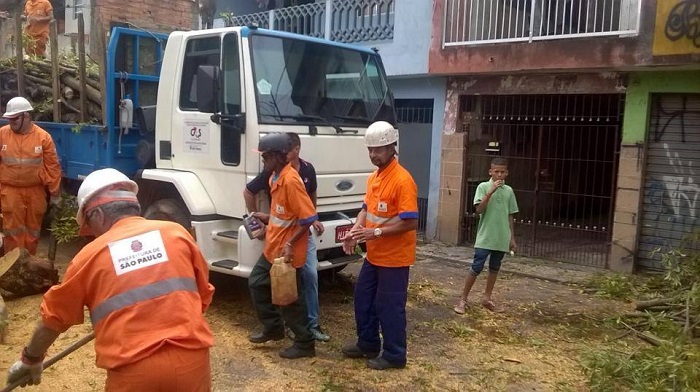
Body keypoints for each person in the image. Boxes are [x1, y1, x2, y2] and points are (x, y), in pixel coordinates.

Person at [6, 168, 215, 391]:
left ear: (99, 215)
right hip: (192, 363)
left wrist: (30, 359)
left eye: (88, 224)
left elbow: (53, 320)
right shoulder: (177, 234)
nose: (92, 233)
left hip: (135, 373)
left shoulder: (89, 256)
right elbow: (202, 293)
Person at [340, 121, 418, 371]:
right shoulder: (374, 177)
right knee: (363, 298)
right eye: (370, 150)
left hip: (394, 259)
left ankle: (395, 355)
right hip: (374, 256)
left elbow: (410, 221)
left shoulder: (402, 180)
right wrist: (355, 230)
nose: (374, 154)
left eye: (379, 149)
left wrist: (374, 232)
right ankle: (368, 343)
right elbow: (365, 208)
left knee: (390, 307)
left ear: (392, 147)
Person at [243, 132, 330, 342]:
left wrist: (291, 243)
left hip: (287, 251)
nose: (263, 161)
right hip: (274, 248)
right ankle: (273, 328)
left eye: (266, 157)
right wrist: (267, 217)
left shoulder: (291, 180)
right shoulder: (275, 178)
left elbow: (308, 217)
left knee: (289, 298)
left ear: (278, 156)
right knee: (257, 282)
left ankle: (304, 343)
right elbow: (285, 214)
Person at [453, 157, 518, 314]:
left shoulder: (509, 191)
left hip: (501, 237)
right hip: (485, 236)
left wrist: (512, 238)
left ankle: (487, 297)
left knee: (495, 267)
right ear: (490, 172)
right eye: (496, 172)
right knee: (477, 266)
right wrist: (490, 192)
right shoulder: (483, 187)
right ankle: (463, 299)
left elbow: (510, 215)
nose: (499, 175)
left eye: (503, 172)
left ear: (507, 173)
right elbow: (479, 210)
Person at [0, 96, 61, 255]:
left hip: (35, 191)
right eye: (9, 119)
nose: (11, 123)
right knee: (12, 232)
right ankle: (13, 267)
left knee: (33, 232)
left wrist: (55, 194)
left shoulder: (43, 137)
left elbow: (52, 166)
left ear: (26, 116)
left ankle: (29, 265)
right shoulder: (2, 134)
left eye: (14, 119)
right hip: (10, 191)